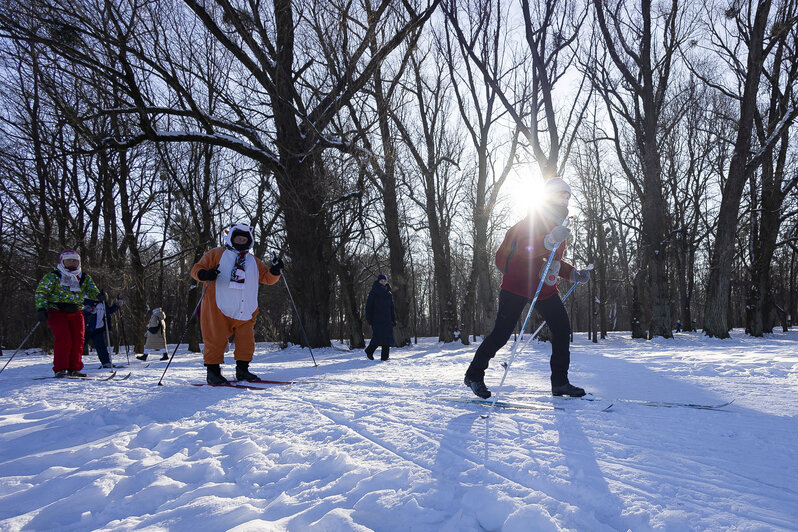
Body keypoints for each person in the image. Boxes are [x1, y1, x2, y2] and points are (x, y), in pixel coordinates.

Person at [464, 178, 591, 399]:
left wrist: (574, 274)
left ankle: (560, 382)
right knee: (501, 334)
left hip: (543, 287)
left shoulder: (561, 226)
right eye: (561, 194)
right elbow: (524, 248)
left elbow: (553, 261)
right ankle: (474, 375)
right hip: (517, 285)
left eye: (568, 195)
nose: (566, 199)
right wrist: (548, 240)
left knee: (562, 328)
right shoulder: (532, 220)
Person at [190, 224, 283, 384]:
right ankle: (213, 372)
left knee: (246, 341)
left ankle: (243, 370)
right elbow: (196, 269)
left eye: (244, 239)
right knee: (215, 339)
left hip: (245, 308)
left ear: (249, 240)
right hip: (218, 307)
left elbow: (267, 278)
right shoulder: (216, 253)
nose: (241, 241)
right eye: (238, 238)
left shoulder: (253, 261)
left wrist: (275, 270)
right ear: (231, 238)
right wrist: (205, 274)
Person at [34, 250, 101, 377]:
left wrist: (100, 296)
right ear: (62, 261)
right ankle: (60, 368)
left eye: (75, 260)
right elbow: (41, 292)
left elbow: (92, 291)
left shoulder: (84, 277)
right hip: (57, 310)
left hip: (76, 311)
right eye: (69, 260)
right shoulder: (53, 276)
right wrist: (41, 308)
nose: (72, 262)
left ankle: (74, 368)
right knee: (64, 339)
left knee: (78, 340)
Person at [83, 294, 124, 367]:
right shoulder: (86, 300)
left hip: (98, 328)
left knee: (101, 346)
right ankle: (71, 363)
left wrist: (116, 305)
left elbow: (108, 311)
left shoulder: (102, 303)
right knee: (80, 346)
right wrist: (88, 310)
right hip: (86, 328)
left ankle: (106, 362)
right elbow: (80, 310)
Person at [364, 273, 396, 361]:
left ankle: (385, 357)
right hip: (377, 319)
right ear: (378, 281)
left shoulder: (389, 294)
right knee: (377, 337)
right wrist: (369, 318)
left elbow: (391, 308)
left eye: (385, 281)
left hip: (387, 319)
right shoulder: (373, 293)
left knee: (387, 337)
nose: (383, 282)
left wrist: (393, 319)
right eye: (381, 280)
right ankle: (369, 351)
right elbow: (368, 306)